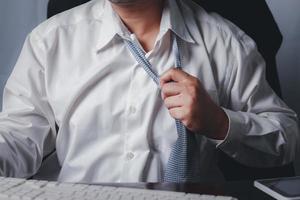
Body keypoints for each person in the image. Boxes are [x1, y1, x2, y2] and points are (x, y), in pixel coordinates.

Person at [0, 0, 298, 182]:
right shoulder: (50, 41)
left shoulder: (226, 43)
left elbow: (287, 138)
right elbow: (18, 138)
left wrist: (220, 123)